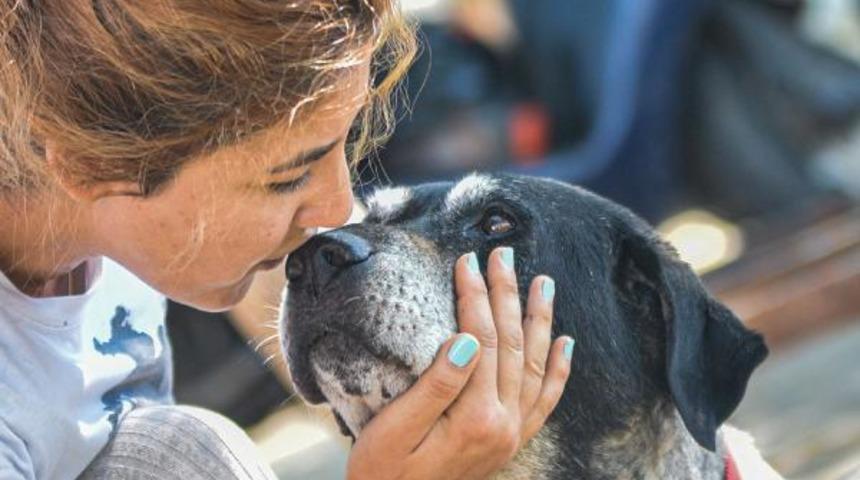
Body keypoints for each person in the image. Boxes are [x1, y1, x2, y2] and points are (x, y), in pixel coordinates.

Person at [0, 1, 575, 479]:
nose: (335, 210)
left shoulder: (91, 203)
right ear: (91, 161)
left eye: (344, 148)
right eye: (287, 177)